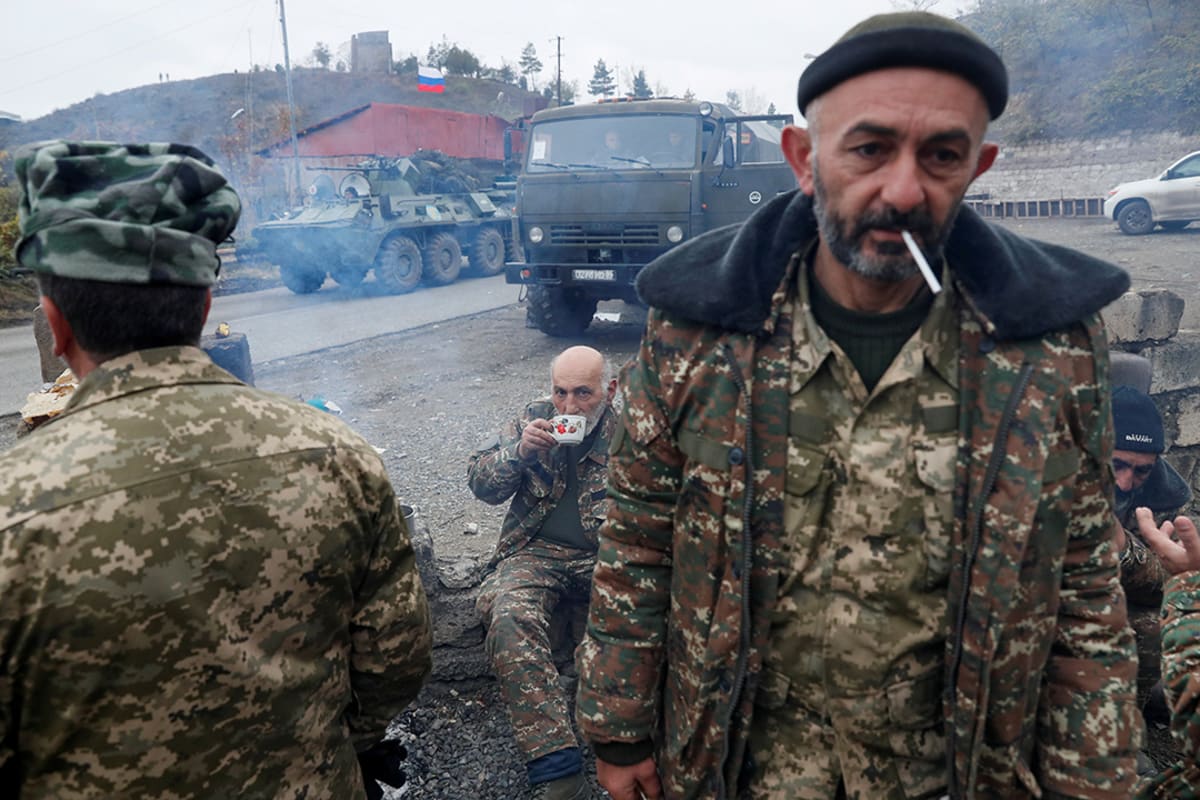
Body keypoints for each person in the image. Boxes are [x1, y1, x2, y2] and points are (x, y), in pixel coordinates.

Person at [575, 11, 1140, 800]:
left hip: (958, 771)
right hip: (745, 766)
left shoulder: (1049, 343)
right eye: (870, 149)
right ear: (804, 160)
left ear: (979, 166)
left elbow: (1082, 577)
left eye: (941, 155)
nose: (904, 190)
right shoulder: (701, 327)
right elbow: (638, 535)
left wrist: (1098, 779)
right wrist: (620, 726)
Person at [0, 140, 432, 798]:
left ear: (55, 328)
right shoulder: (339, 455)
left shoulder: (13, 505)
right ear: (205, 311)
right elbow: (396, 661)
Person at [469, 345, 617, 800]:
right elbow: (480, 483)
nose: (569, 407)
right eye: (560, 393)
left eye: (582, 394)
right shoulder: (533, 419)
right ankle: (558, 768)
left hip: (606, 556)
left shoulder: (631, 432)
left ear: (609, 390)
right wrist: (519, 453)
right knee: (508, 613)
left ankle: (628, 740)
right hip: (534, 553)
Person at [1110, 385, 1192, 718]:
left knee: (1155, 622)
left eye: (1140, 470)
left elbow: (1168, 576)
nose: (1125, 482)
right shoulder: (1067, 475)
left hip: (1119, 589)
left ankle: (1131, 718)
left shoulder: (1163, 493)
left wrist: (1126, 549)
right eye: (1117, 465)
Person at [1135, 508, 1200, 798]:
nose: (1126, 481)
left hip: (1145, 593)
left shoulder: (1170, 504)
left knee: (1148, 626)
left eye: (1139, 471)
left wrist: (1187, 582)